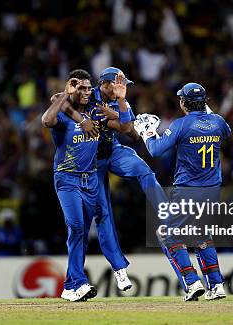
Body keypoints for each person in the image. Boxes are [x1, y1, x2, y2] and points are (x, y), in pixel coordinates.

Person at [61, 67, 168, 292]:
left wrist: (120, 108)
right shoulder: (89, 95)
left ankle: (166, 214)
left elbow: (131, 131)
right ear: (105, 84)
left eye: (124, 84)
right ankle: (119, 270)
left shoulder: (121, 100)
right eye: (118, 84)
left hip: (113, 152)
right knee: (103, 214)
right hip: (91, 163)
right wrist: (116, 118)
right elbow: (59, 100)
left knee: (143, 168)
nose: (122, 88)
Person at [135, 83, 230, 301]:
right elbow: (227, 130)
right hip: (213, 190)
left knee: (168, 235)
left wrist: (147, 132)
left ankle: (192, 282)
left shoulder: (182, 124)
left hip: (188, 190)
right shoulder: (218, 122)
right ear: (205, 102)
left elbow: (156, 150)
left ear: (183, 103)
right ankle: (216, 285)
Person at [42, 69, 100, 302]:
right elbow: (46, 120)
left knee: (81, 234)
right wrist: (66, 94)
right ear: (72, 87)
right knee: (76, 227)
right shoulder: (64, 113)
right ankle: (79, 281)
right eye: (81, 88)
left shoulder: (94, 110)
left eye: (89, 88)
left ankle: (70, 286)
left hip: (91, 179)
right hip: (67, 178)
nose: (86, 92)